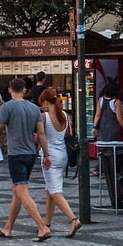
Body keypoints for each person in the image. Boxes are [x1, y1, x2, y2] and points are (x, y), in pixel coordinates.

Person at [0, 77, 51, 240]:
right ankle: (8, 228)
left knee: (22, 191)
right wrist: (46, 155)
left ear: (10, 90)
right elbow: (41, 134)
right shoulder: (34, 108)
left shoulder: (7, 107)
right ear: (25, 90)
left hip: (16, 155)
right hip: (31, 154)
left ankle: (42, 227)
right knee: (16, 191)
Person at [38, 87, 81, 237]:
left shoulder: (44, 117)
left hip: (49, 156)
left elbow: (40, 137)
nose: (42, 106)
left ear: (45, 101)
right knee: (50, 191)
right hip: (63, 155)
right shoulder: (64, 115)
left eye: (42, 102)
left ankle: (73, 219)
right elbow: (67, 136)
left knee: (55, 192)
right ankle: (47, 223)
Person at [94, 83, 123, 210]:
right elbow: (119, 118)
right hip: (112, 129)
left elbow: (98, 115)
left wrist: (94, 127)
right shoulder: (116, 102)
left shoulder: (100, 100)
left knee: (102, 149)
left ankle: (100, 168)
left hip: (102, 129)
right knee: (111, 151)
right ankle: (106, 169)